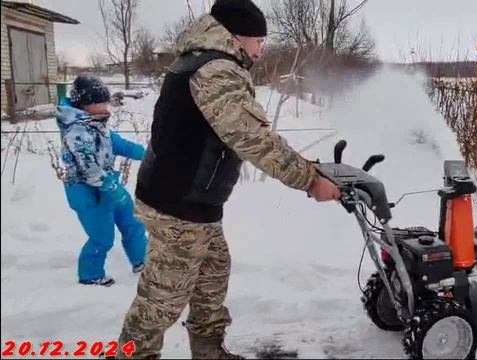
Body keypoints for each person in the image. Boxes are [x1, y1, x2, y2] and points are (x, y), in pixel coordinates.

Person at [115, 0, 341, 358]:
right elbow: (251, 137)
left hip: (193, 202)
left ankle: (208, 351)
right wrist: (310, 179)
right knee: (161, 301)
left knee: (212, 276)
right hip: (178, 205)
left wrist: (309, 170)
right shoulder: (216, 71)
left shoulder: (204, 61)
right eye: (258, 41)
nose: (260, 49)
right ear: (237, 37)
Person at [56, 75, 148, 287]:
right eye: (99, 103)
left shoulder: (98, 123)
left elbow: (117, 143)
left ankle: (142, 261)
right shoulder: (76, 131)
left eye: (104, 102)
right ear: (84, 105)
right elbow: (87, 166)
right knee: (102, 236)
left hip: (109, 185)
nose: (104, 107)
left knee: (133, 222)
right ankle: (91, 275)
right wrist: (107, 185)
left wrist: (146, 155)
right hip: (86, 192)